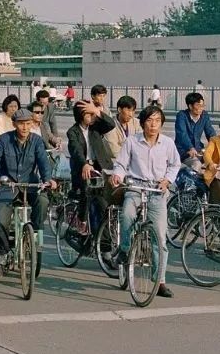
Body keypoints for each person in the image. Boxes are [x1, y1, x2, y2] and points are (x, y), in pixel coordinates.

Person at [110, 105, 181, 299]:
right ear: (142, 123)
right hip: (135, 188)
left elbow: (175, 164)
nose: (153, 125)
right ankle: (125, 249)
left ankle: (160, 281)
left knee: (160, 237)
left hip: (157, 192)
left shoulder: (167, 143)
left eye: (157, 121)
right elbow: (122, 164)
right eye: (150, 120)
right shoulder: (132, 141)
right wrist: (117, 175)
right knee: (127, 215)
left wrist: (167, 180)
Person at [0, 108, 57, 279]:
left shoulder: (37, 141)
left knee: (42, 201)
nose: (24, 127)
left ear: (32, 124)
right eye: (21, 124)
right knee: (0, 220)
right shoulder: (4, 140)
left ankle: (35, 233)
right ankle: (2, 257)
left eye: (27, 123)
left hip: (29, 184)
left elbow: (43, 162)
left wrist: (48, 179)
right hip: (7, 186)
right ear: (14, 124)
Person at [67, 99, 116, 235]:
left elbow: (111, 124)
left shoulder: (96, 128)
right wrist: (84, 164)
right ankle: (82, 220)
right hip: (83, 168)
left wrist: (96, 110)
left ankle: (103, 230)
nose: (92, 117)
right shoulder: (73, 132)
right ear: (81, 115)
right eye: (89, 114)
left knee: (108, 198)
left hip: (101, 167)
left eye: (92, 114)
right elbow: (76, 150)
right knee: (87, 192)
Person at [174, 92, 215, 173]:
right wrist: (190, 147)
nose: (201, 108)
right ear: (190, 106)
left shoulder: (204, 115)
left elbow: (210, 132)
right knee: (196, 164)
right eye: (198, 105)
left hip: (199, 150)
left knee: (214, 162)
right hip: (184, 151)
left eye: (202, 105)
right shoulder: (182, 115)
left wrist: (216, 144)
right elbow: (182, 134)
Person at [103, 95, 141, 161]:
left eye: (133, 111)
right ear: (119, 110)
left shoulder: (136, 123)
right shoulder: (110, 126)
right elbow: (114, 151)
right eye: (128, 110)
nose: (131, 114)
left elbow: (141, 143)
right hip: (116, 162)